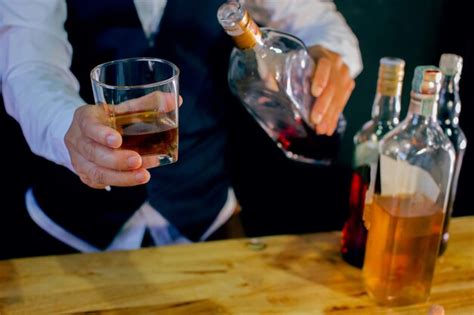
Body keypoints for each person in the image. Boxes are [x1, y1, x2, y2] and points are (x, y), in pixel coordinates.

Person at [0, 0, 362, 255]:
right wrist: (68, 127)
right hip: (67, 229)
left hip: (208, 219)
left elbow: (321, 22)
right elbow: (29, 63)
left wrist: (329, 56)